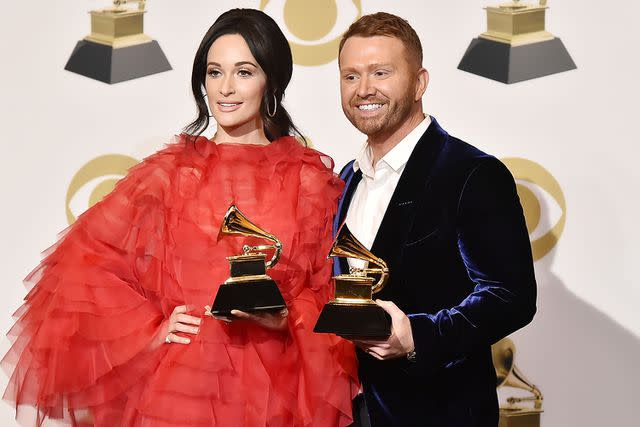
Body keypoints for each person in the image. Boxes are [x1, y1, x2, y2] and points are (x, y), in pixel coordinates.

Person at [2, 9, 358, 427]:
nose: (225, 89)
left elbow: (329, 289)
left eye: (243, 72)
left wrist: (286, 318)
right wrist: (151, 331)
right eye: (214, 72)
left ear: (272, 81)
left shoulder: (309, 180)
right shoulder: (173, 174)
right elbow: (83, 262)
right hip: (183, 386)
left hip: (277, 386)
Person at [334, 12, 537, 426]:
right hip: (350, 408)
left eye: (381, 72)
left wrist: (419, 337)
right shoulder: (347, 178)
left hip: (439, 411)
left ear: (420, 82)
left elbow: (511, 296)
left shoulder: (471, 173)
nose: (364, 89)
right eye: (351, 76)